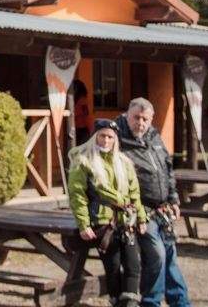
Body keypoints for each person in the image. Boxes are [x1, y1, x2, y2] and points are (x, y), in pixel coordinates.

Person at [114, 98, 191, 307]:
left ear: (151, 119)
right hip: (139, 211)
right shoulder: (117, 140)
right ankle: (150, 303)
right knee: (155, 256)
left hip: (162, 208)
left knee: (169, 254)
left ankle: (180, 303)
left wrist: (174, 199)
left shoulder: (155, 139)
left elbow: (167, 171)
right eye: (136, 117)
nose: (140, 123)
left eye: (145, 119)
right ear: (127, 116)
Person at [68, 119, 147, 307]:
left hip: (126, 220)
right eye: (102, 136)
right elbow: (77, 195)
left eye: (110, 137)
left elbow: (134, 193)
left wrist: (141, 218)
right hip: (102, 221)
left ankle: (130, 303)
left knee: (133, 264)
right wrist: (84, 225)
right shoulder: (83, 162)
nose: (106, 140)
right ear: (95, 137)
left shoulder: (124, 163)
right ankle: (117, 301)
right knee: (112, 265)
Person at [73, 79, 94, 146]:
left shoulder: (82, 101)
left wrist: (92, 133)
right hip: (77, 130)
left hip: (83, 131)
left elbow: (88, 117)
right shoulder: (76, 101)